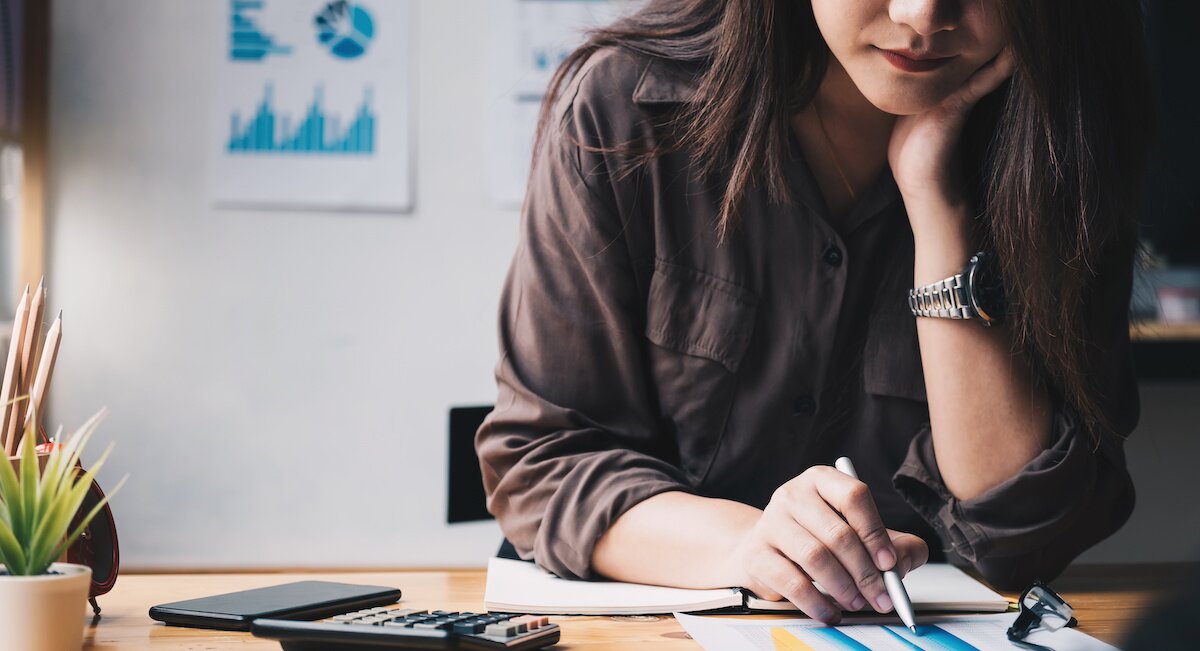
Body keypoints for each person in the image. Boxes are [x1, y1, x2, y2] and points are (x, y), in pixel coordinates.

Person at [476, 0, 1152, 625]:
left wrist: (935, 203)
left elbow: (1024, 536)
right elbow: (542, 462)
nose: (921, 16)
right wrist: (750, 545)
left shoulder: (1066, 135)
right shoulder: (625, 106)